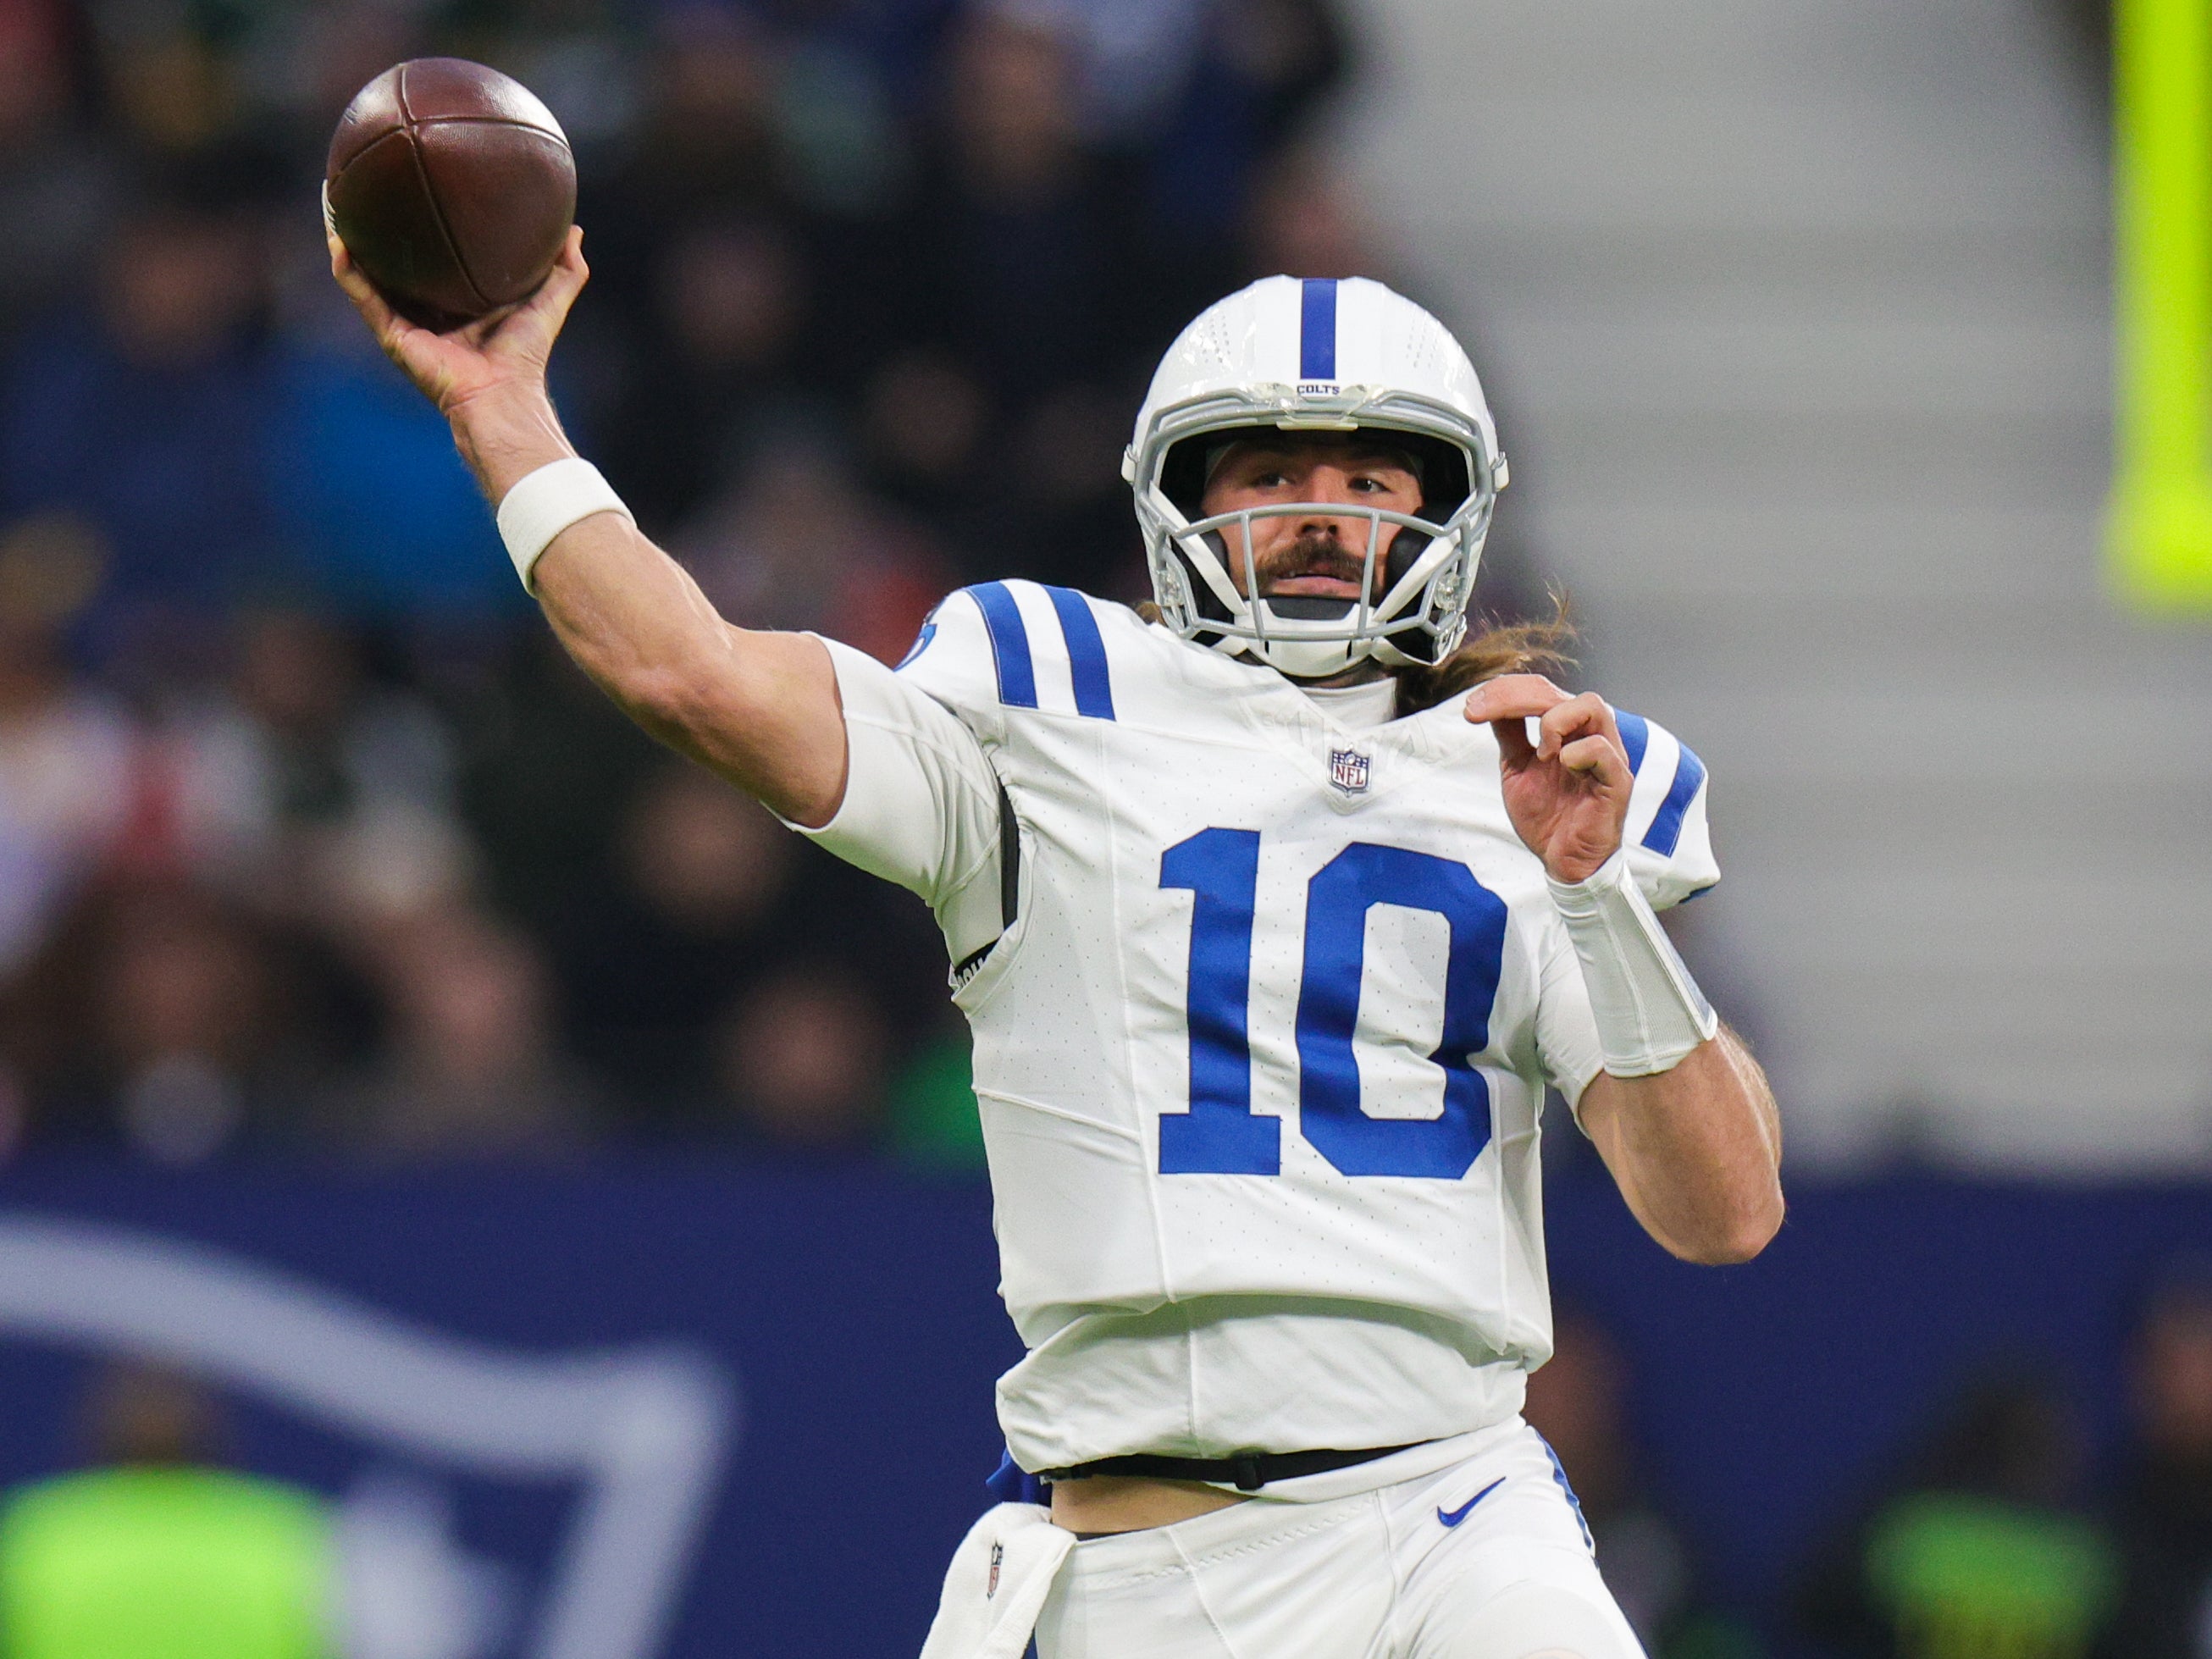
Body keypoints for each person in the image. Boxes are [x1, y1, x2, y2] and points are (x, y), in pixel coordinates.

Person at [331, 224, 1784, 1657]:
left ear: (1453, 507)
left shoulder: (1545, 779)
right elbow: (690, 673)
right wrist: (510, 419)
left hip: (1455, 1518)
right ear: (1177, 504)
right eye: (1271, 472)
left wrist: (1598, 901)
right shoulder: (1046, 693)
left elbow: (1724, 1214)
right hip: (1135, 1559)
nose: (1325, 514)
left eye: (1370, 475)